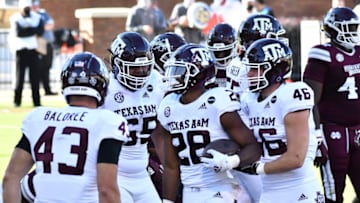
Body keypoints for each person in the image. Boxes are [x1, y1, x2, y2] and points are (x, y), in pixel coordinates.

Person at [2, 51, 129, 203]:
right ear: (102, 87)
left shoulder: (39, 118)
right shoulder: (107, 122)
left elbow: (11, 178)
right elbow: (107, 190)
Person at [157, 43, 261, 203]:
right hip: (189, 190)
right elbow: (171, 165)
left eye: (179, 71)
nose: (173, 76)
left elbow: (253, 147)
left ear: (196, 73)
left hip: (222, 189)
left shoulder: (217, 101)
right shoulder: (168, 106)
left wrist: (231, 161)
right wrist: (167, 201)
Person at [238, 38, 324, 202]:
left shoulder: (292, 94)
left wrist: (258, 168)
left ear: (274, 71)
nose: (249, 74)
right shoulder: (249, 100)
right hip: (269, 191)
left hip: (299, 190)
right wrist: (230, 160)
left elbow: (296, 158)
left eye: (256, 69)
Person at [303, 7, 360, 203]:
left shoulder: (359, 52)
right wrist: (317, 138)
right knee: (334, 190)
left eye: (355, 27)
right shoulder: (323, 54)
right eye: (350, 27)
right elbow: (310, 99)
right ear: (334, 29)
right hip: (332, 129)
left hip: (357, 128)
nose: (354, 32)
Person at [104, 31, 165, 203]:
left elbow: (161, 131)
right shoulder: (106, 90)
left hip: (141, 175)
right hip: (114, 175)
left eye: (144, 67)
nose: (140, 72)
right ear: (116, 64)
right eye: (133, 67)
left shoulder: (156, 82)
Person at [227, 13, 288, 94]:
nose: (279, 40)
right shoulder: (247, 67)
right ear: (262, 38)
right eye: (274, 36)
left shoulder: (237, 61)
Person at [8, 0, 44, 107]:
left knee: (35, 78)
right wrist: (32, 30)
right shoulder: (15, 18)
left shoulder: (37, 17)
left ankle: (37, 102)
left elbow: (40, 31)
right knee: (19, 78)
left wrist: (27, 29)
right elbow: (19, 33)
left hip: (33, 50)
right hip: (21, 50)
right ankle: (17, 101)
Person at [32, 0, 57, 96]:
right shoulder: (32, 16)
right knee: (40, 67)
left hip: (48, 43)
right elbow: (40, 29)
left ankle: (47, 89)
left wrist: (42, 27)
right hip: (39, 42)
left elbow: (50, 25)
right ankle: (41, 89)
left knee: (47, 66)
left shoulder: (43, 13)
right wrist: (42, 27)